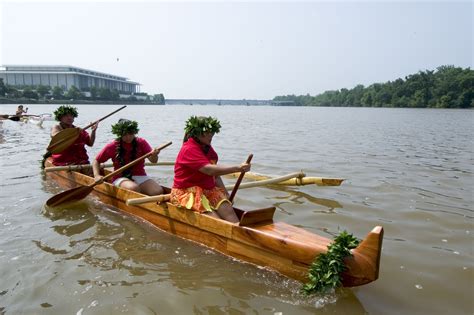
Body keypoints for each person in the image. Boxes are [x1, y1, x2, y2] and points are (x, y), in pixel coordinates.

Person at [170, 116, 251, 223]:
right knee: (216, 221)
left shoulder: (207, 148)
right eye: (208, 132)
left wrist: (226, 193)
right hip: (187, 192)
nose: (211, 135)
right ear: (198, 134)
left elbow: (215, 175)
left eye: (212, 132)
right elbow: (209, 170)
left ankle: (241, 234)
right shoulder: (188, 149)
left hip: (209, 190)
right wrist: (237, 168)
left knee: (228, 211)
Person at [92, 119, 164, 195]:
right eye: (125, 134)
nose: (128, 137)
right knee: (133, 188)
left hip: (140, 175)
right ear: (120, 134)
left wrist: (155, 155)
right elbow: (96, 161)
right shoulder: (113, 146)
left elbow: (153, 161)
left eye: (130, 133)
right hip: (120, 177)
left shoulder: (142, 142)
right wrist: (96, 175)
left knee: (158, 191)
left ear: (134, 132)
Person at [50, 105, 98, 170]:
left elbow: (90, 143)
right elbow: (55, 136)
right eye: (66, 116)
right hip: (64, 162)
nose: (69, 118)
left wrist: (93, 131)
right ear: (60, 118)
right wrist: (73, 133)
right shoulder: (57, 127)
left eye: (71, 116)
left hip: (82, 162)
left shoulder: (78, 130)